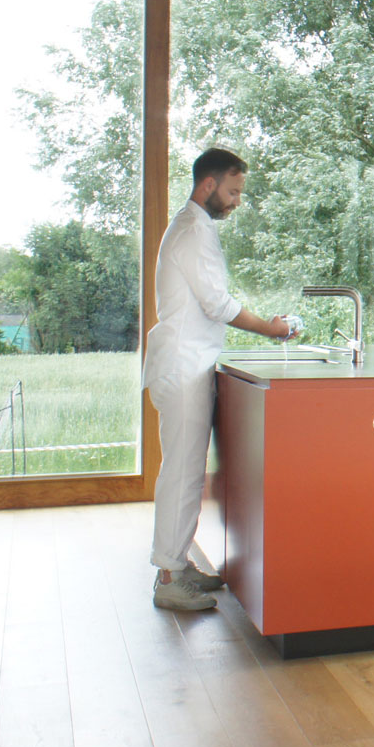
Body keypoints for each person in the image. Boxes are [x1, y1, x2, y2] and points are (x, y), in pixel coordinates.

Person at [142, 148, 294, 611]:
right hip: (183, 365)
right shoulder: (192, 231)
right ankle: (169, 577)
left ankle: (178, 563)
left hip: (186, 363)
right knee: (183, 474)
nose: (237, 201)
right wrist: (271, 328)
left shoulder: (195, 228)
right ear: (207, 185)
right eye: (232, 191)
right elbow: (217, 304)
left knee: (187, 472)